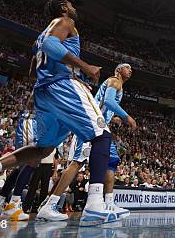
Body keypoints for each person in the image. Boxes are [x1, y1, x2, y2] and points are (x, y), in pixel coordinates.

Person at [0, 0, 118, 225]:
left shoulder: (37, 39)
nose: (74, 9)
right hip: (62, 86)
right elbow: (51, 46)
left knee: (42, 149)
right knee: (102, 135)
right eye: (71, 5)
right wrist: (84, 67)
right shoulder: (65, 21)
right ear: (64, 8)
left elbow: (32, 69)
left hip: (43, 93)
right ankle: (96, 204)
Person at [36, 64, 136, 221]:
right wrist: (125, 116)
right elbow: (109, 101)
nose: (130, 70)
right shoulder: (114, 81)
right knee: (77, 163)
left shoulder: (118, 85)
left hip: (100, 127)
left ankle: (108, 203)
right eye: (127, 67)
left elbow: (104, 105)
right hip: (89, 126)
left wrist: (113, 117)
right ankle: (50, 203)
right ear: (118, 70)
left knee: (110, 163)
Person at [0, 107, 39, 221]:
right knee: (32, 160)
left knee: (25, 165)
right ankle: (13, 204)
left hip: (39, 121)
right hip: (34, 121)